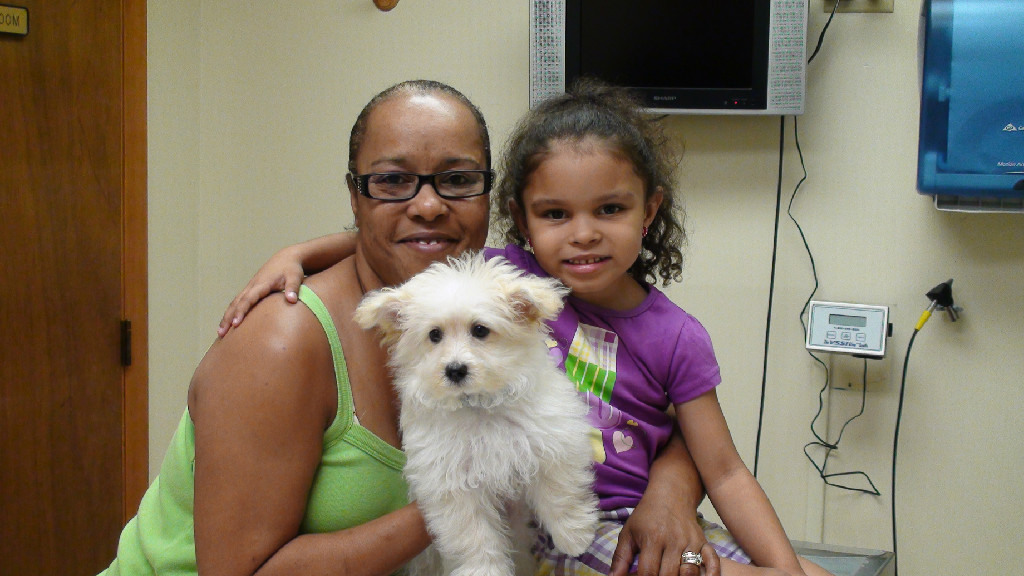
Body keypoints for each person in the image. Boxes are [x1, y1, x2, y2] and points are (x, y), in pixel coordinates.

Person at [99, 79, 720, 576]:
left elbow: (656, 404)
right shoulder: (281, 342)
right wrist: (462, 498)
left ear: (491, 202)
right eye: (393, 181)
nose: (427, 204)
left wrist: (667, 489)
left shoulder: (509, 294)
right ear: (355, 195)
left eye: (456, 180)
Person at [218, 80, 834, 576]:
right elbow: (409, 252)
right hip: (563, 539)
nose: (584, 233)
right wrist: (299, 254)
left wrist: (762, 554)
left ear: (650, 210)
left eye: (610, 209)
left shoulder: (664, 332)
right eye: (556, 214)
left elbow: (719, 464)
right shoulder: (498, 277)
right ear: (523, 220)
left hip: (617, 513)